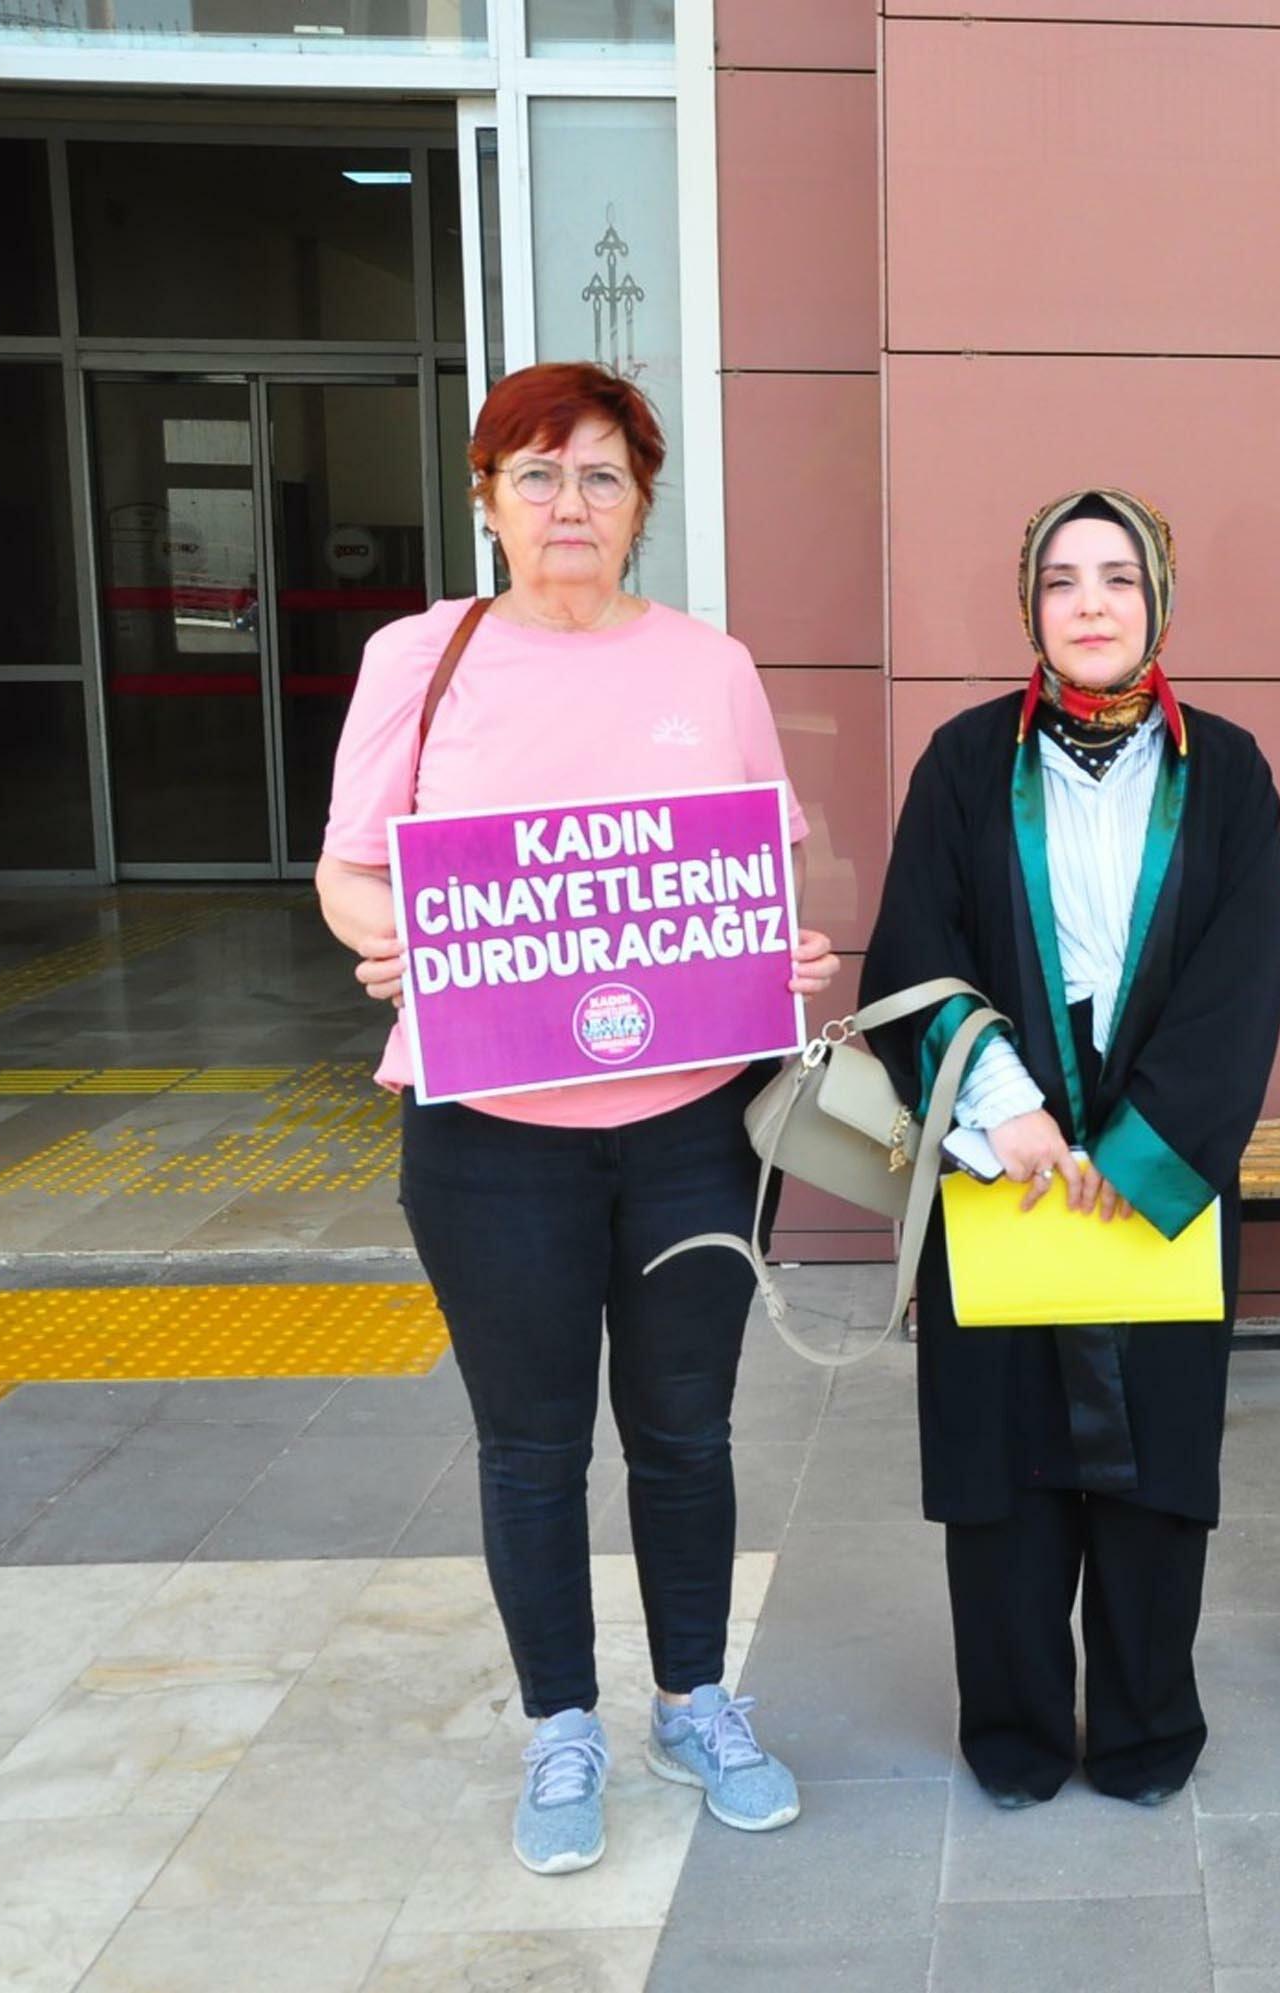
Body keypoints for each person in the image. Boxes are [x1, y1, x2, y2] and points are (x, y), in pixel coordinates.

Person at [317, 361, 839, 1874]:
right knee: (532, 1445)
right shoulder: (420, 658)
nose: (569, 504)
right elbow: (350, 865)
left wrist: (780, 954)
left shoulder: (708, 665)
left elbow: (756, 864)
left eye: (602, 475)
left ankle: (695, 1701)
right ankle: (562, 1724)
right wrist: (388, 933)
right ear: (487, 496)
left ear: (641, 505)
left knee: (684, 1429)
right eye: (537, 474)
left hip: (689, 1129)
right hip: (489, 1133)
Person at [860, 487, 1280, 1810]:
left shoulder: (1226, 770)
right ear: (1029, 605)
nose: (1090, 603)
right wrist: (1004, 1107)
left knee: (1158, 1463)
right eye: (1062, 580)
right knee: (1000, 1465)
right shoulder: (962, 762)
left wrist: (1145, 1147)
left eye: (1117, 577)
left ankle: (1149, 1730)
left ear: (1159, 598)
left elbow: (1240, 973)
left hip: (1159, 1167)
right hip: (1005, 1155)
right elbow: (915, 950)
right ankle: (1018, 1732)